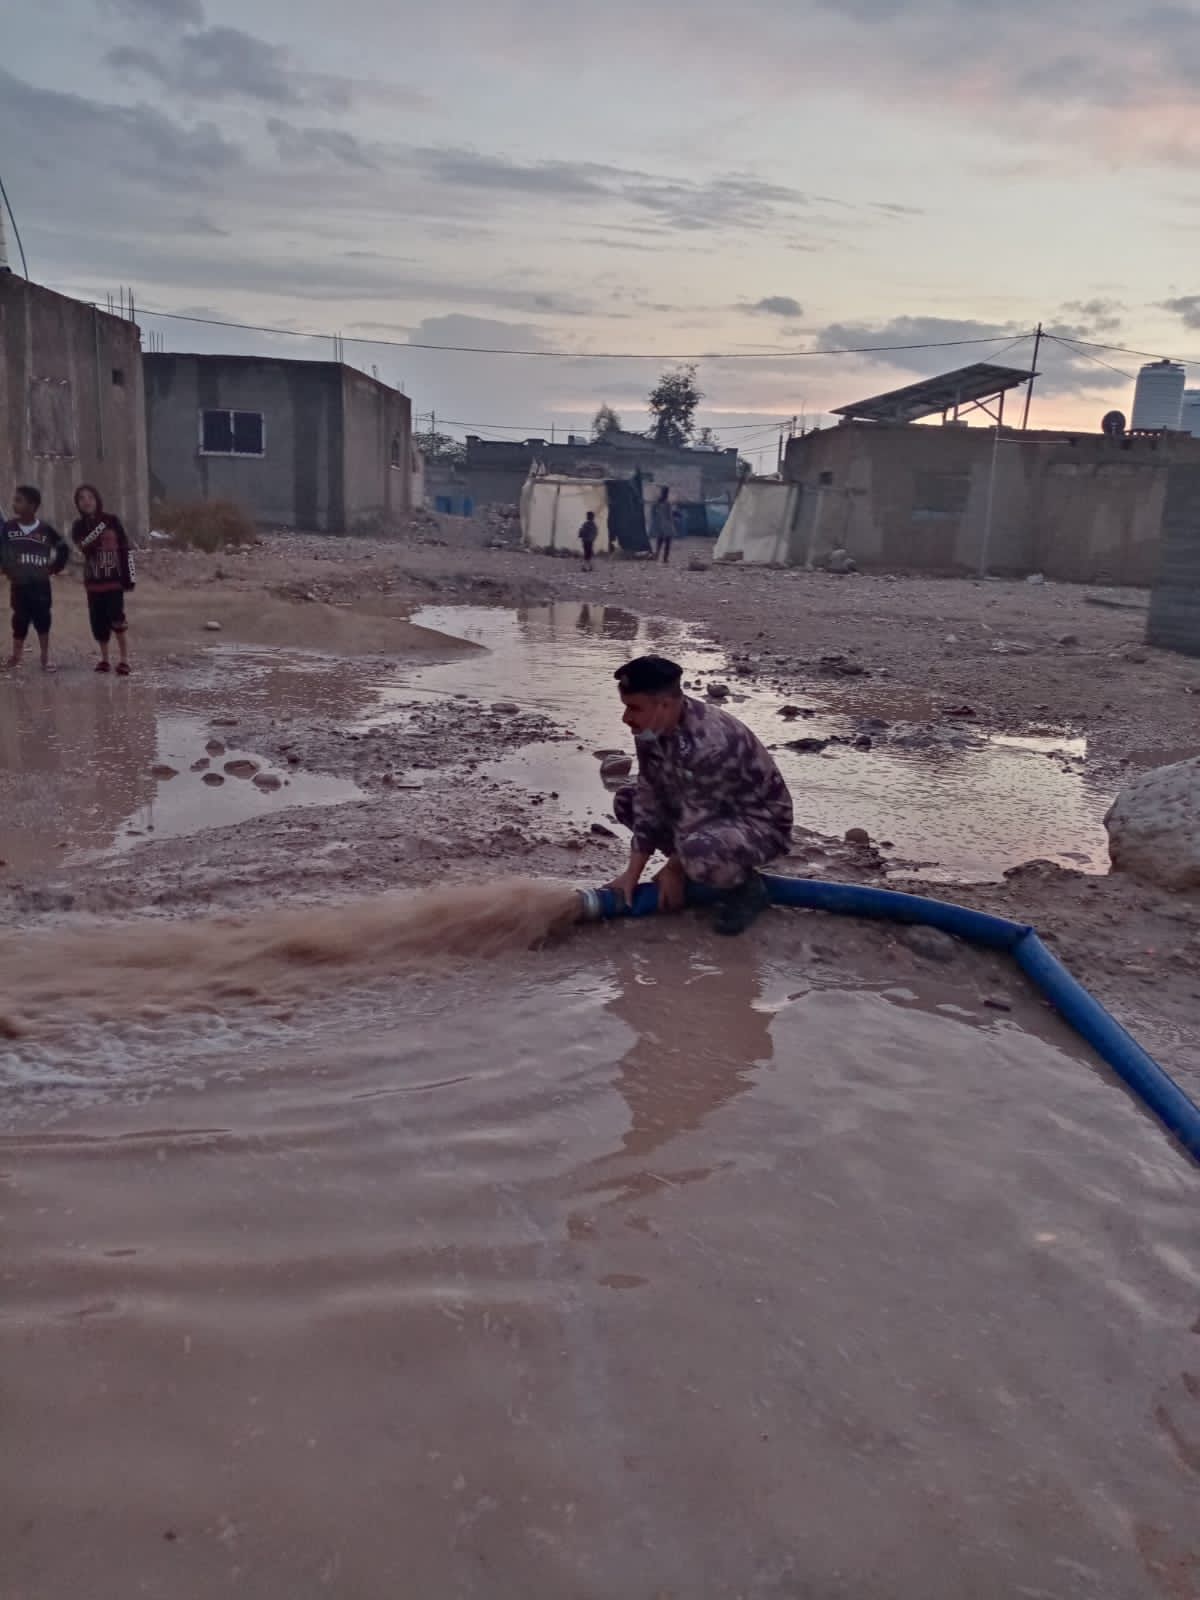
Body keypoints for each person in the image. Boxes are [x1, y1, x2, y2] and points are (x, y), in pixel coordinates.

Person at [606, 654, 793, 936]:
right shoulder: (650, 726)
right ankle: (704, 868)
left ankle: (746, 888)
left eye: (633, 708)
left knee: (697, 850)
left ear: (665, 705)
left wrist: (674, 870)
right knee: (626, 801)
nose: (626, 718)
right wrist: (630, 875)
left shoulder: (710, 742)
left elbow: (699, 818)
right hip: (705, 812)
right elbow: (648, 795)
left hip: (760, 825)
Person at [1, 485, 69, 672]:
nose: (14, 504)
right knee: (19, 620)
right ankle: (16, 656)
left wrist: (55, 567)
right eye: (14, 500)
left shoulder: (45, 529)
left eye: (19, 500)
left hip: (40, 585)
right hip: (19, 585)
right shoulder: (8, 528)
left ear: (32, 505)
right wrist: (6, 568)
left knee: (43, 619)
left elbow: (63, 547)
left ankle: (45, 658)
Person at [71, 484, 136, 675]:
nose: (86, 501)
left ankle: (124, 660)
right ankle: (105, 659)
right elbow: (84, 547)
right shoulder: (78, 526)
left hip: (114, 581)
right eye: (81, 498)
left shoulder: (113, 520)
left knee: (117, 620)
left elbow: (125, 548)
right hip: (93, 583)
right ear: (78, 504)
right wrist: (98, 526)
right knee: (98, 622)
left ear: (97, 499)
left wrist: (129, 577)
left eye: (90, 496)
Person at [650, 485, 673, 563]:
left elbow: (653, 513)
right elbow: (669, 515)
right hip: (666, 525)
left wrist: (656, 522)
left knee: (660, 541)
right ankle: (664, 558)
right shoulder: (666, 503)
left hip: (660, 525)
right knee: (667, 542)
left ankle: (658, 555)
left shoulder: (657, 503)